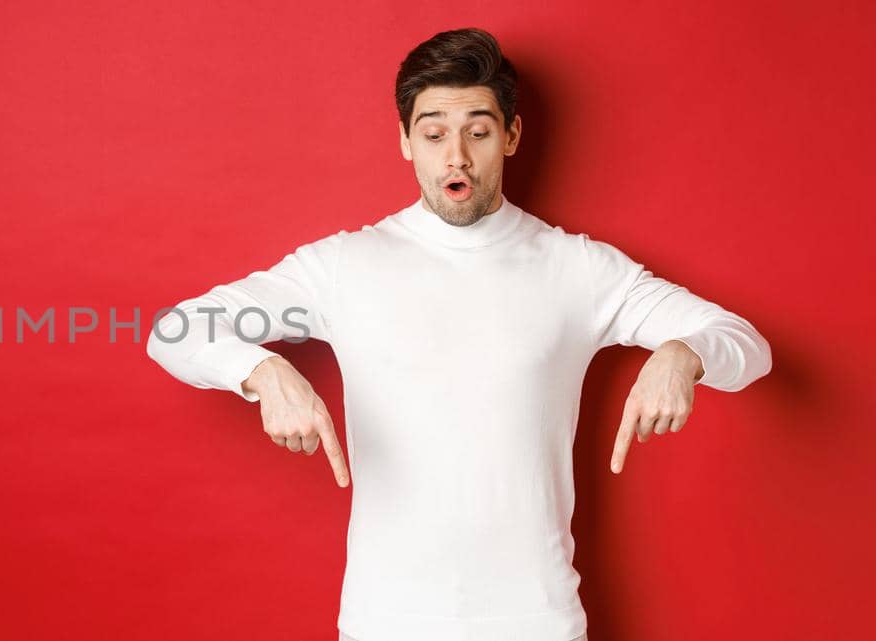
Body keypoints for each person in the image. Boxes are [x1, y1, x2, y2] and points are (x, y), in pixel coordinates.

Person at [144, 27, 771, 641]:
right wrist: (261, 372)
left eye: (478, 132)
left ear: (511, 135)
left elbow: (746, 345)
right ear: (405, 142)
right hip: (385, 622)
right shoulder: (343, 268)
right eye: (435, 134)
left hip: (538, 623)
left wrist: (683, 353)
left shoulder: (578, 268)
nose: (457, 157)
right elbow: (175, 329)